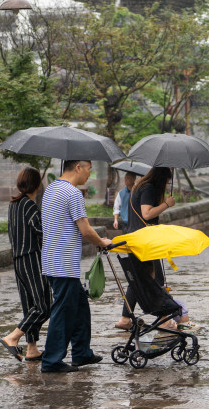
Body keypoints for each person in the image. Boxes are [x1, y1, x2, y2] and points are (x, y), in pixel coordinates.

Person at [40, 159, 112, 373]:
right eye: (89, 169)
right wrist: (102, 242)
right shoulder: (72, 193)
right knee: (62, 312)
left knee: (80, 306)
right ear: (78, 167)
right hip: (63, 262)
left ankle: (82, 353)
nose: (89, 174)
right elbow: (85, 230)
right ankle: (51, 361)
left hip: (52, 259)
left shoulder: (51, 189)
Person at [114, 166, 175, 330]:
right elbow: (147, 214)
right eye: (166, 182)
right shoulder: (148, 188)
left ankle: (125, 319)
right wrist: (166, 204)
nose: (167, 186)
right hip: (145, 240)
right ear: (161, 179)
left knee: (137, 278)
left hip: (137, 237)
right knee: (157, 278)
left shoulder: (139, 186)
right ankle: (165, 318)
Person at [0, 168, 50, 362]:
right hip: (31, 258)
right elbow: (40, 231)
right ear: (37, 185)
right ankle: (12, 337)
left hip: (18, 260)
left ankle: (32, 348)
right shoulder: (29, 205)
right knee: (44, 306)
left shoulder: (14, 204)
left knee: (30, 306)